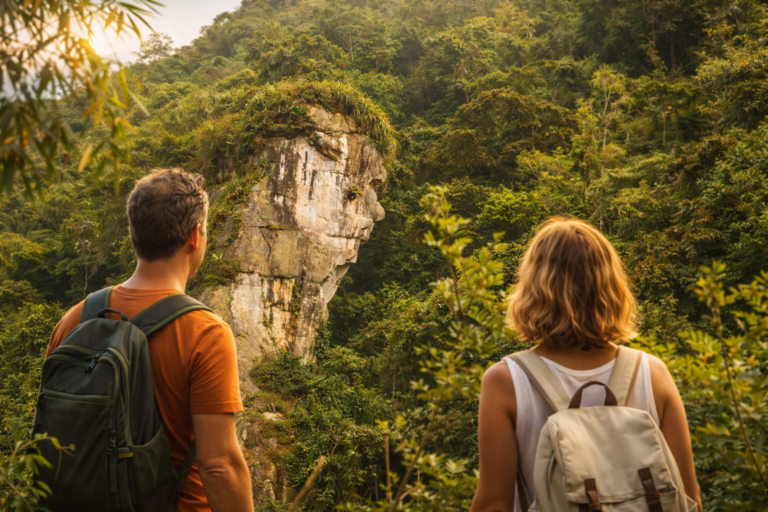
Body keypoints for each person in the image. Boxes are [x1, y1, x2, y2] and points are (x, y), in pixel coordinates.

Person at [45, 169, 254, 512]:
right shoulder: (205, 333)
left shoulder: (74, 320)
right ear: (195, 235)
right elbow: (219, 466)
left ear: (134, 233)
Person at [471, 217, 702, 512]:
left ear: (533, 288)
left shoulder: (507, 381)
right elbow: (688, 498)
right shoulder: (652, 373)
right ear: (612, 286)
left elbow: (494, 504)